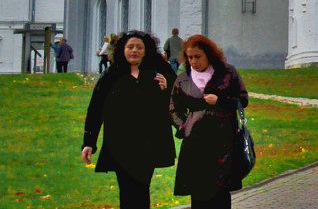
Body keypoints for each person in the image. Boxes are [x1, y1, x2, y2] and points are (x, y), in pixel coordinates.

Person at [81, 30, 176, 209]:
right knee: (126, 190)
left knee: (141, 188)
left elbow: (176, 102)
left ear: (146, 50)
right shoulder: (112, 75)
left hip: (148, 143)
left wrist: (167, 89)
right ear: (122, 50)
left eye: (139, 47)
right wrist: (89, 142)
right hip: (120, 143)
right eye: (130, 47)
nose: (134, 50)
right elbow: (95, 109)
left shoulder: (159, 73)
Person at [171, 34, 250, 209]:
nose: (193, 61)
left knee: (220, 192)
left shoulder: (227, 72)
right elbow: (173, 109)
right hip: (195, 143)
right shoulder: (183, 79)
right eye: (190, 57)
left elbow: (242, 99)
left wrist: (220, 100)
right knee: (198, 192)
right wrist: (183, 127)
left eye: (198, 57)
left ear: (209, 54)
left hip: (223, 141)